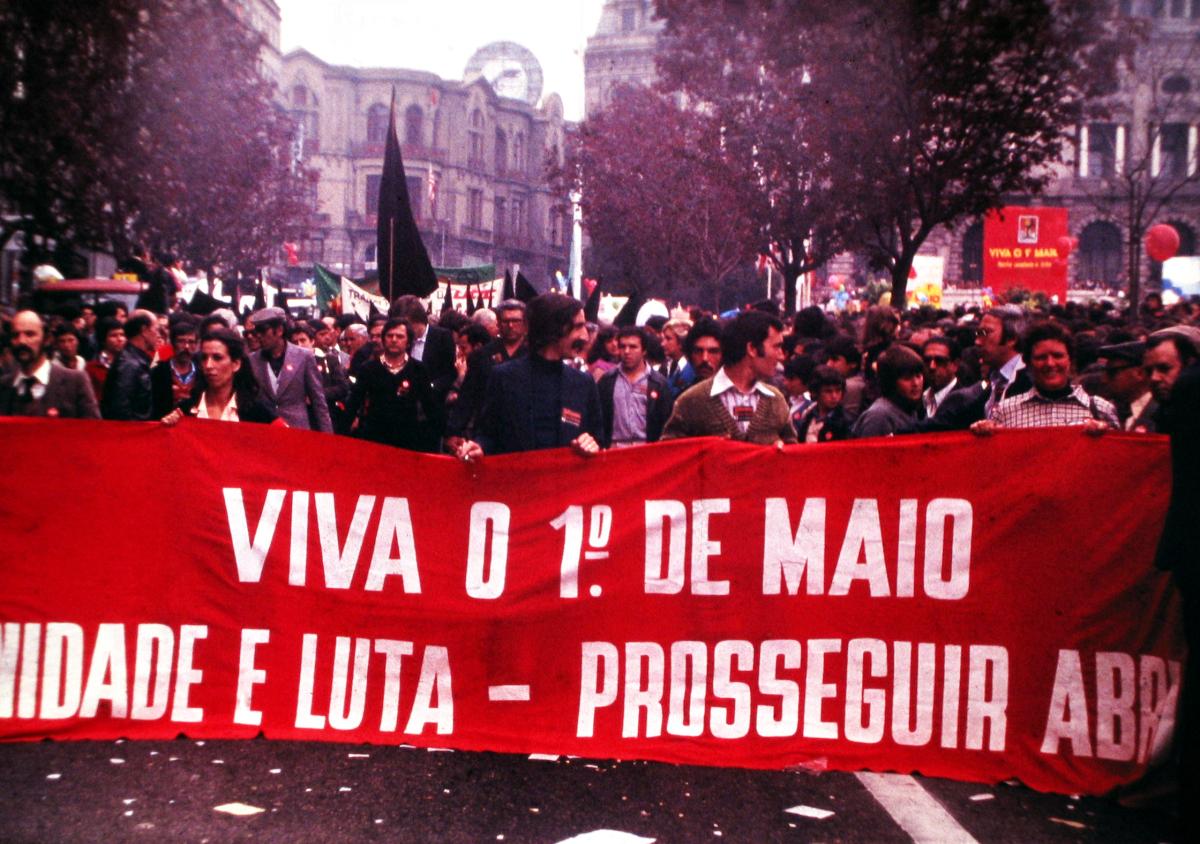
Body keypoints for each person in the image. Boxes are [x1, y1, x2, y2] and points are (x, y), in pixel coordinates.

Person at [457, 293, 602, 458]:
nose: (585, 336)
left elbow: (598, 438)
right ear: (554, 329)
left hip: (564, 482)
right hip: (517, 481)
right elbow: (488, 434)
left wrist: (589, 443)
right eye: (578, 326)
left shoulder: (583, 383)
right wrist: (479, 447)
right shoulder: (504, 377)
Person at [661, 310, 796, 445]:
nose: (781, 356)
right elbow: (671, 455)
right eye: (776, 347)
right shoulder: (691, 402)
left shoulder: (776, 401)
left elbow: (794, 455)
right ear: (752, 349)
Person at [971, 322, 1118, 433]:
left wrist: (1104, 436)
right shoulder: (1005, 411)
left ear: (1070, 360)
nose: (1050, 363)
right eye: (1041, 357)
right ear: (1028, 363)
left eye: (1057, 356)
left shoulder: (1100, 410)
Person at [343, 317, 444, 452]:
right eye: (390, 336)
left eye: (400, 336)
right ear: (384, 339)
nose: (394, 340)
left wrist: (444, 435)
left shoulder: (418, 370)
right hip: (375, 438)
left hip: (409, 440)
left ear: (408, 342)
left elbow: (430, 407)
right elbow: (354, 403)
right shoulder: (368, 369)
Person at [447, 299, 528, 442]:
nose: (510, 325)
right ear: (498, 323)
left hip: (524, 429)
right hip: (488, 430)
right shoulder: (481, 355)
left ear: (525, 324)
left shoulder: (534, 354)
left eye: (516, 321)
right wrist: (454, 431)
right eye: (505, 321)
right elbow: (468, 396)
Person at [161, 328, 279, 424]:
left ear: (236, 364)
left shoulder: (258, 413)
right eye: (204, 358)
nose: (208, 365)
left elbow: (286, 439)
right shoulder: (184, 411)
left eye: (217, 358)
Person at [246, 307, 332, 432]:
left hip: (297, 430)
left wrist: (328, 438)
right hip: (264, 432)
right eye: (256, 331)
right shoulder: (252, 360)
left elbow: (318, 401)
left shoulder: (304, 357)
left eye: (262, 330)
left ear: (279, 330)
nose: (258, 335)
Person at [0, 310, 99, 419]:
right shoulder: (4, 386)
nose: (21, 341)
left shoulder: (75, 382)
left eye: (30, 334)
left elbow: (94, 431)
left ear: (46, 339)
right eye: (15, 335)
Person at [598, 326, 675, 448]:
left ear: (644, 350)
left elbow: (666, 422)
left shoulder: (658, 383)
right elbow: (599, 419)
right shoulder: (607, 381)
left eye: (633, 347)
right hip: (614, 449)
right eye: (623, 346)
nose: (627, 351)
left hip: (647, 449)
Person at [389, 295, 457, 402]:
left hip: (433, 401)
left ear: (417, 321)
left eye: (407, 327)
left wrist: (431, 386)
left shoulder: (442, 337)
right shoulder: (403, 341)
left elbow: (450, 372)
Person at [851, 345, 926, 438]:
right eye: (907, 378)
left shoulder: (910, 409)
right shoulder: (878, 417)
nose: (916, 383)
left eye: (918, 376)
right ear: (891, 381)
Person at [101, 309, 161, 421]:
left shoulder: (139, 359)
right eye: (156, 330)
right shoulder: (129, 364)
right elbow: (120, 408)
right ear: (144, 330)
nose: (158, 335)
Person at [1098, 340, 1155, 431]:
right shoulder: (1125, 413)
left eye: (1112, 372)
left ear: (1139, 373)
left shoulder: (1163, 413)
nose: (1104, 379)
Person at [151, 318, 200, 419]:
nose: (186, 347)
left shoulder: (202, 374)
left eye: (191, 342)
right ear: (172, 343)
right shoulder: (158, 372)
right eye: (181, 341)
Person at [792, 365, 852, 443]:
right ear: (815, 392)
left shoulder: (845, 422)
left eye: (838, 391)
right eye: (828, 391)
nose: (834, 396)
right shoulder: (807, 415)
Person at [670, 317, 723, 396]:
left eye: (713, 351)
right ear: (690, 354)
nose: (705, 358)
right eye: (698, 351)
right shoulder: (683, 398)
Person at [85, 317, 126, 402]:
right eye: (114, 335)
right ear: (103, 340)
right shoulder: (92, 368)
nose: (120, 339)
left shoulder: (130, 363)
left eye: (122, 335)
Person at [921, 336, 960, 417]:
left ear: (955, 365)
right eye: (927, 360)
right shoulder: (918, 398)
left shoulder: (966, 401)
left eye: (940, 361)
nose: (932, 366)